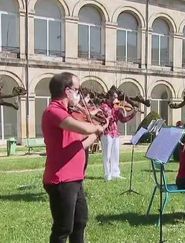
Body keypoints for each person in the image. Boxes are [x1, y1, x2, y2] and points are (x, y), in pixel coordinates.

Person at [42, 72, 107, 243]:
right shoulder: (54, 111)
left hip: (75, 178)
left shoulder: (66, 114)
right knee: (63, 228)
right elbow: (82, 128)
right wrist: (94, 127)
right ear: (67, 90)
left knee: (80, 222)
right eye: (77, 90)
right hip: (61, 180)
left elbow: (79, 145)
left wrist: (100, 130)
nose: (79, 95)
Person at [100, 90, 137, 181]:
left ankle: (115, 173)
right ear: (109, 97)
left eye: (117, 97)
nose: (116, 99)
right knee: (107, 155)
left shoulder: (116, 108)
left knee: (115, 154)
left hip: (115, 133)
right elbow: (109, 118)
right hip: (106, 133)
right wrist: (118, 109)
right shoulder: (104, 107)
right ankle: (107, 174)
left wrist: (133, 114)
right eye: (114, 97)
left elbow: (123, 120)